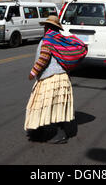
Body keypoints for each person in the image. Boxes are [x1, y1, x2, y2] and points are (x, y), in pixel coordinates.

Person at [24, 15, 74, 144]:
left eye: (45, 26)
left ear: (47, 27)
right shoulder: (59, 39)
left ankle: (60, 134)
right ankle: (38, 130)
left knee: (41, 105)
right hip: (62, 78)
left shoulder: (48, 40)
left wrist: (33, 72)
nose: (44, 28)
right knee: (55, 106)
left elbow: (44, 58)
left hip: (51, 79)